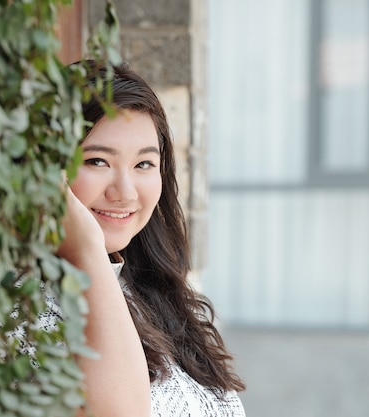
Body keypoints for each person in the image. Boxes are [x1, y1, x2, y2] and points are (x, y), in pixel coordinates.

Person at [56, 60, 246, 417]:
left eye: (144, 164)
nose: (125, 193)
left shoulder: (155, 295)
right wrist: (86, 250)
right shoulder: (18, 308)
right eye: (97, 161)